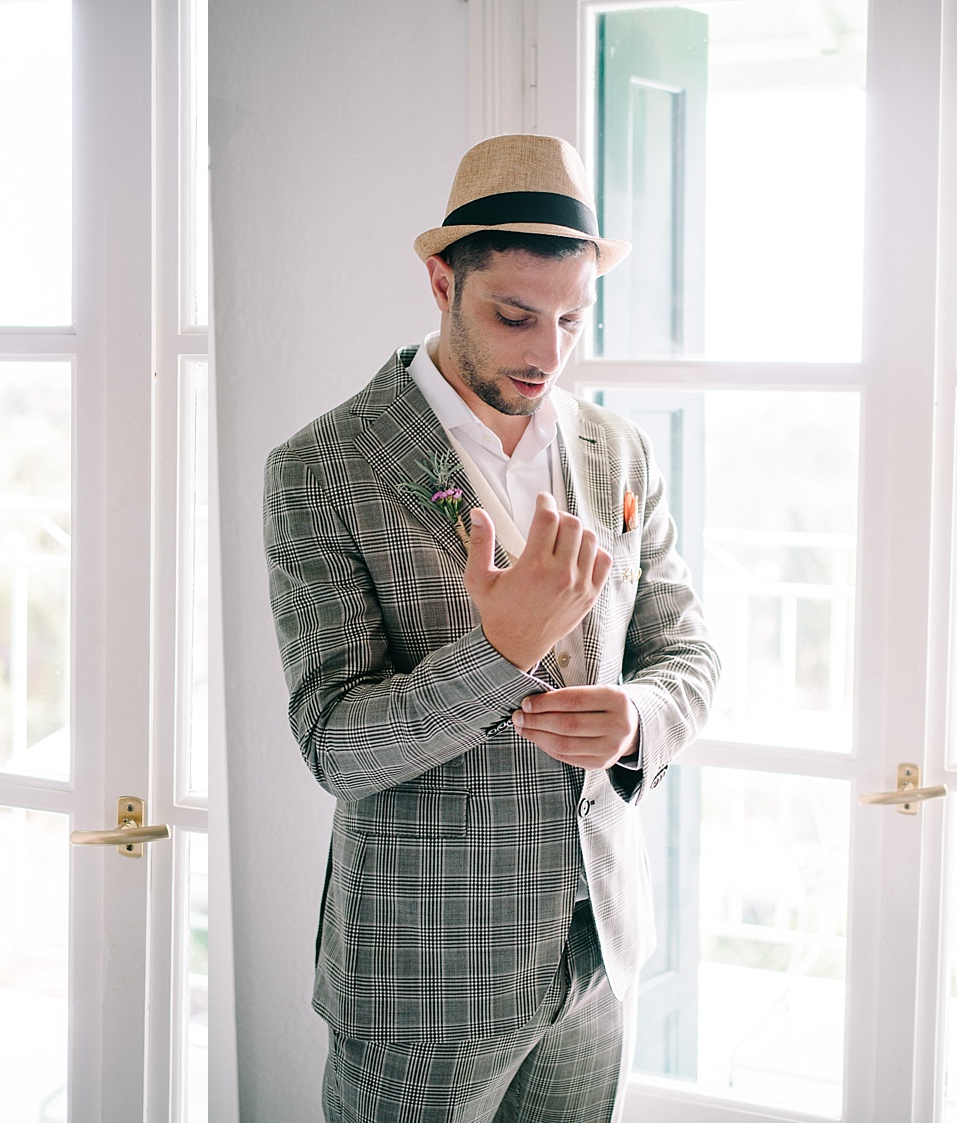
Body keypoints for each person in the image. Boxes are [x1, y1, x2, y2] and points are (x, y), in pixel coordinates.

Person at [263, 133, 720, 1122]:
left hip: (597, 961)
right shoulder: (322, 468)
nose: (547, 353)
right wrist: (499, 653)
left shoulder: (620, 451)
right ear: (440, 281)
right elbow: (335, 743)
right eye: (515, 316)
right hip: (427, 981)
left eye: (572, 320)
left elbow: (688, 652)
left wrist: (639, 717)